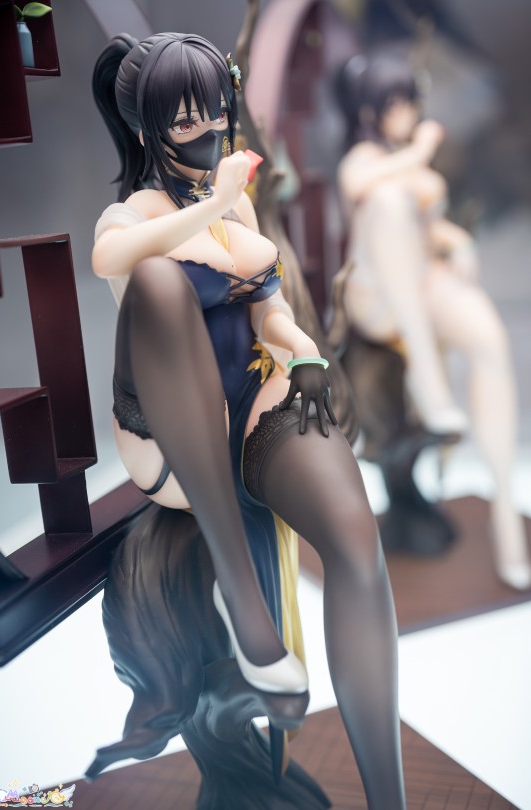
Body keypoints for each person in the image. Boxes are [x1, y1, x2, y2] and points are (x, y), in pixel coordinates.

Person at [91, 32, 406, 807]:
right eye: (184, 119)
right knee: (160, 283)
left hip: (251, 396)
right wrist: (218, 206)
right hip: (167, 435)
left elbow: (268, 312)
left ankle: (389, 798)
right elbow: (114, 260)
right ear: (147, 128)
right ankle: (244, 602)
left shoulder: (233, 204)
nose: (206, 132)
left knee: (356, 541)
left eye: (214, 111)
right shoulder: (131, 215)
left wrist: (304, 351)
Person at [333, 53, 530, 590]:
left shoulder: (401, 158)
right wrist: (420, 151)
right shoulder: (365, 160)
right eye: (393, 103)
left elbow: (428, 227)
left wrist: (457, 240)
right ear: (370, 110)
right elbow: (360, 188)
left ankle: (507, 518)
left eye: (409, 101)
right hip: (377, 295)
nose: (406, 112)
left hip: (421, 277)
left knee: (488, 338)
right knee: (388, 204)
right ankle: (426, 372)